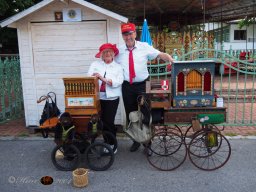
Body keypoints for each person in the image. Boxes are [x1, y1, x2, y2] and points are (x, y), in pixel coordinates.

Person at [115, 22, 174, 152]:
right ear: (122, 36)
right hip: (127, 86)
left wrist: (170, 58)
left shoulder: (144, 47)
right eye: (125, 34)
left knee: (146, 114)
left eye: (130, 33)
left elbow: (159, 54)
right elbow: (108, 62)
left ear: (135, 34)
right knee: (131, 115)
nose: (128, 37)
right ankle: (136, 140)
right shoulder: (118, 51)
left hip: (143, 85)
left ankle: (147, 143)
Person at [88, 43, 124, 154]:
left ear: (113, 54)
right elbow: (89, 76)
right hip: (98, 98)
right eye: (105, 52)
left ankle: (112, 144)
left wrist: (103, 79)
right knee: (100, 122)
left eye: (109, 52)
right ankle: (106, 142)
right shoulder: (95, 64)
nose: (107, 54)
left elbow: (119, 81)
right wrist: (94, 76)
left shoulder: (118, 67)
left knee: (109, 121)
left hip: (111, 99)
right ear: (102, 55)